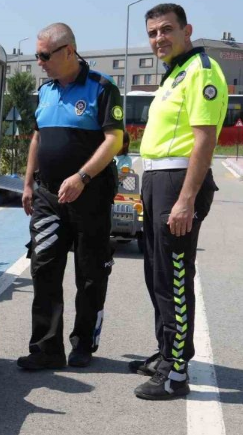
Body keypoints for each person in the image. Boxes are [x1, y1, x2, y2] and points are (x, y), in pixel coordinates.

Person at [130, 3, 227, 400]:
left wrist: (186, 199)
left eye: (166, 30)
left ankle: (176, 372)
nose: (159, 38)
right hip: (157, 180)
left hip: (178, 183)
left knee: (173, 279)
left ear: (187, 30)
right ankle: (169, 351)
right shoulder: (174, 74)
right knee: (157, 275)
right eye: (152, 32)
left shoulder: (202, 69)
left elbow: (204, 137)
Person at [18, 23, 123, 370]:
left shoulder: (102, 89)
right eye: (37, 55)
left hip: (90, 196)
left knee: (90, 273)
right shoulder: (45, 91)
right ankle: (46, 348)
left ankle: (83, 344)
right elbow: (37, 138)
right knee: (44, 268)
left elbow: (114, 141)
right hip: (49, 197)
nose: (39, 62)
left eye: (44, 55)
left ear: (68, 51)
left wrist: (82, 176)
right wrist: (28, 182)